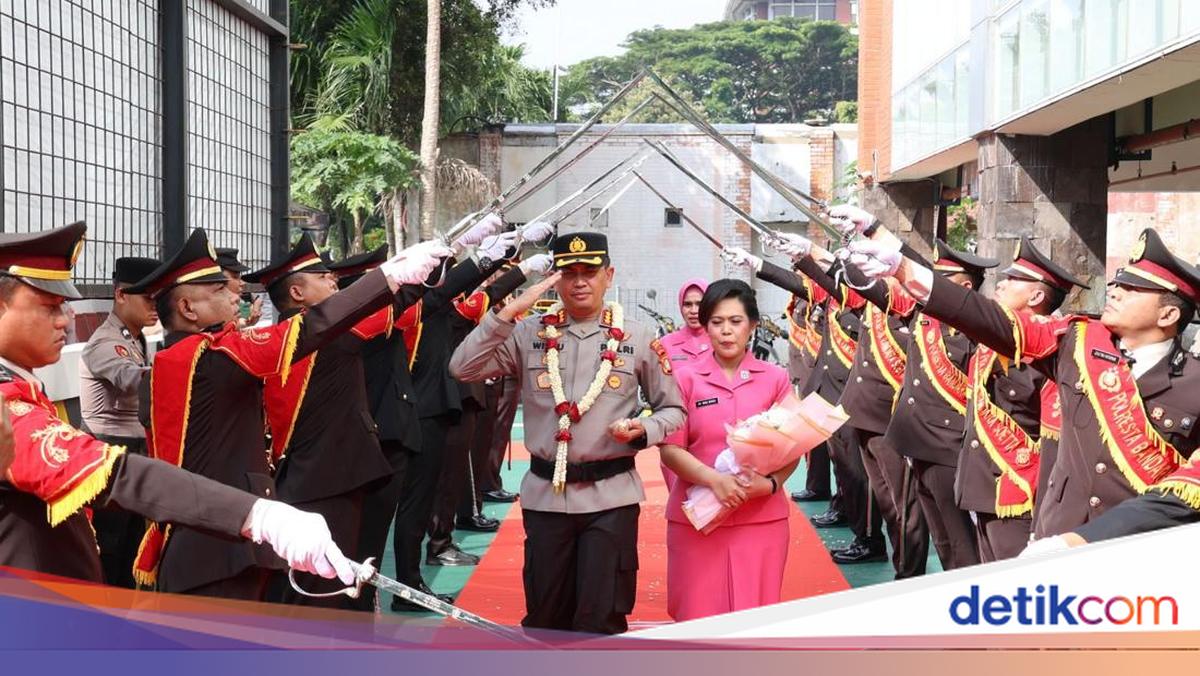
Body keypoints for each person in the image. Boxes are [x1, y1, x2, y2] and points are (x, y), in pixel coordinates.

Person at [0, 222, 355, 588]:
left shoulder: (23, 386)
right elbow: (117, 471)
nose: (65, 319)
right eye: (50, 305)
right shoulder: (9, 405)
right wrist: (257, 515)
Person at [126, 227, 450, 599]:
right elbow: (312, 327)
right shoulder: (212, 359)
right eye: (218, 290)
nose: (235, 294)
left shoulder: (172, 367)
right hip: (221, 551)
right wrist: (388, 277)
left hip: (211, 541)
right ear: (187, 309)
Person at [844, 220, 1200, 538]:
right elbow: (987, 318)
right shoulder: (1079, 342)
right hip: (1057, 536)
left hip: (1132, 554)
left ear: (1168, 313)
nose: (1117, 292)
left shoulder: (1194, 383)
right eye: (1119, 283)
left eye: (1134, 289)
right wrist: (905, 270)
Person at [450, 231, 685, 634]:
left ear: (608, 275)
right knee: (545, 616)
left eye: (589, 272)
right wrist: (506, 315)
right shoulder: (528, 334)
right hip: (546, 500)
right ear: (555, 279)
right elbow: (463, 368)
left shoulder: (638, 337)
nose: (579, 281)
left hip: (610, 498)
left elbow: (674, 409)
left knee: (601, 617)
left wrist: (643, 429)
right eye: (569, 272)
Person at [251, 235, 407, 609]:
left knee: (321, 585)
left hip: (310, 478)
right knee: (326, 590)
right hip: (326, 480)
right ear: (297, 292)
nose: (334, 280)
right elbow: (412, 301)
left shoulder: (283, 338)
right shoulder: (326, 336)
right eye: (322, 276)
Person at [725, 244, 883, 563]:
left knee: (857, 474)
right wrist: (760, 264)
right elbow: (799, 283)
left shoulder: (864, 300)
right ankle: (856, 528)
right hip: (826, 392)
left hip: (849, 396)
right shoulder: (832, 297)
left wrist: (812, 253)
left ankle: (869, 540)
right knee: (844, 471)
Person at [659, 279, 796, 621]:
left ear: (752, 325)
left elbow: (794, 445)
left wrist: (772, 484)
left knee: (755, 618)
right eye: (717, 322)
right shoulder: (685, 379)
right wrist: (713, 481)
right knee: (696, 614)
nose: (726, 332)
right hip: (697, 519)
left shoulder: (775, 378)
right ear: (705, 326)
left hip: (760, 519)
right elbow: (670, 450)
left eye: (735, 322)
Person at [78, 255, 161, 587]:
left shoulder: (134, 335)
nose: (155, 305)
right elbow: (132, 378)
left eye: (158, 297)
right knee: (111, 552)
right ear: (121, 294)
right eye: (147, 297)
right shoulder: (105, 342)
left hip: (131, 452)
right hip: (109, 454)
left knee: (130, 549)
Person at [216, 247, 262, 327]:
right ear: (218, 279)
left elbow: (255, 301)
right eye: (235, 277)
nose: (242, 283)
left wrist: (256, 304)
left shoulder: (240, 300)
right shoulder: (209, 308)